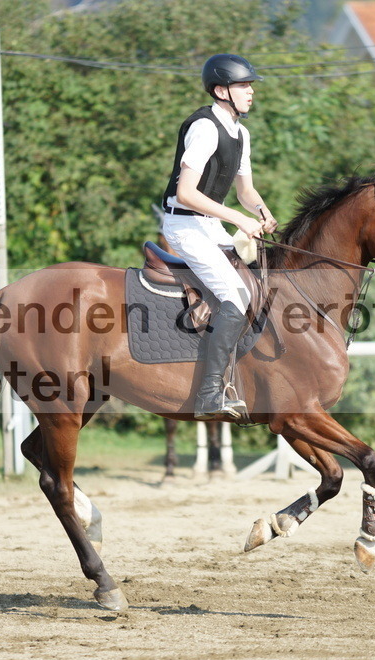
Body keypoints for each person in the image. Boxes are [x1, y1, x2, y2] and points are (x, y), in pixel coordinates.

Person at [160, 54, 277, 420]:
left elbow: (245, 191)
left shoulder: (241, 133)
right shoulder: (205, 127)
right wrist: (238, 220)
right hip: (184, 224)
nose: (251, 91)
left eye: (250, 85)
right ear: (221, 90)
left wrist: (261, 212)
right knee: (235, 293)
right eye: (244, 85)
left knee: (260, 283)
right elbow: (186, 193)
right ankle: (210, 392)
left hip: (209, 224)